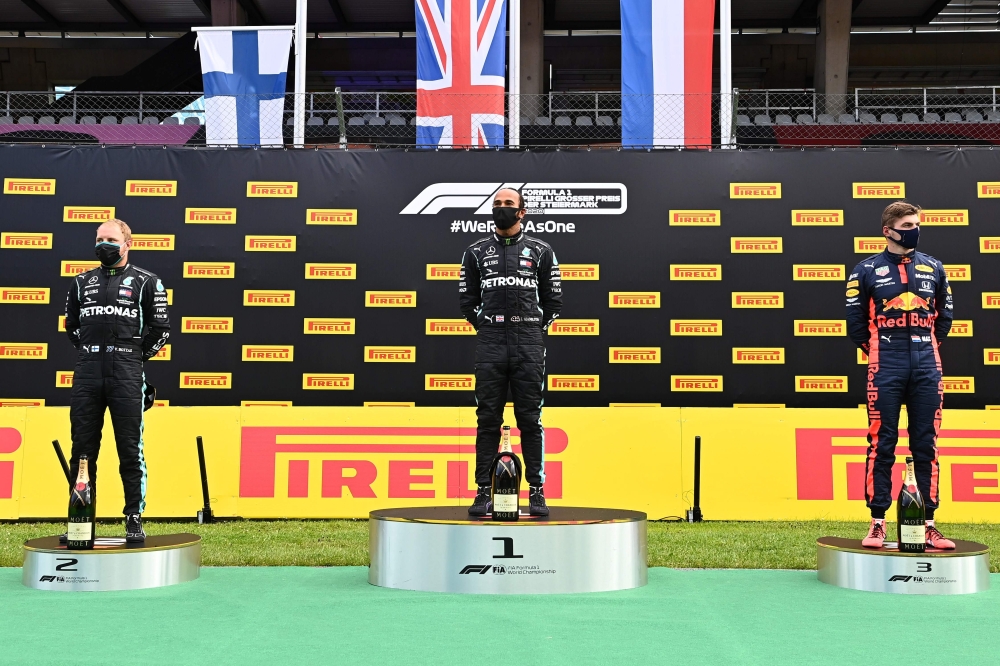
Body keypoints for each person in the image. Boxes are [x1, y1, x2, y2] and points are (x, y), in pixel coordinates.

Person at [846, 201, 955, 549]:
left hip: (927, 364)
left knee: (927, 444)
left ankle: (927, 523)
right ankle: (877, 522)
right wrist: (881, 350)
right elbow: (856, 326)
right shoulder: (865, 270)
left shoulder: (935, 268)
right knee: (882, 443)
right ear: (888, 231)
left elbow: (945, 319)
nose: (914, 229)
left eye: (917, 223)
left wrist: (925, 348)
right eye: (907, 224)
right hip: (886, 364)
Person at [64, 219, 170, 542]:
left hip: (126, 373)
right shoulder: (81, 283)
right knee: (82, 450)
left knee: (129, 449)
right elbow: (72, 328)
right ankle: (80, 522)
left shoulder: (147, 282)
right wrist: (93, 352)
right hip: (87, 373)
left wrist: (133, 357)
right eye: (98, 239)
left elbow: (160, 331)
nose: (102, 245)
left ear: (127, 244)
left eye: (110, 238)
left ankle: (134, 518)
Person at [459, 188, 562, 516]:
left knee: (530, 420)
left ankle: (537, 491)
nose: (501, 210)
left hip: (529, 344)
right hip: (490, 343)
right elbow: (467, 301)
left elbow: (554, 302)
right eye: (497, 205)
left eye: (508, 205)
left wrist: (530, 327)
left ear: (522, 212)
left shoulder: (542, 250)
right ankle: (482, 492)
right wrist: (490, 325)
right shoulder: (474, 252)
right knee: (487, 419)